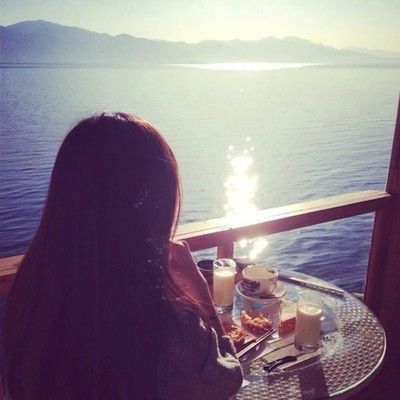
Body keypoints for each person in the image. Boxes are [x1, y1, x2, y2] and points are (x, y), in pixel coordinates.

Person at [2, 112, 243, 399]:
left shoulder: (27, 299)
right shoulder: (166, 324)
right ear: (154, 204)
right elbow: (227, 381)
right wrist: (202, 294)